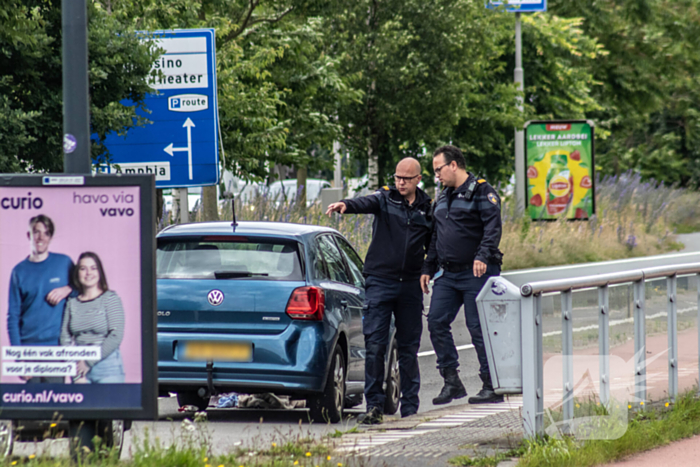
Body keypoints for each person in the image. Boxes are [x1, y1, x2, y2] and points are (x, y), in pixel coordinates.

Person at [326, 158, 433, 424]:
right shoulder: (385, 198)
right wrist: (346, 206)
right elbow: (366, 202)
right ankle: (373, 406)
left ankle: (409, 407)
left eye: (406, 179)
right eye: (398, 177)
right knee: (375, 345)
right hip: (380, 281)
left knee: (408, 348)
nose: (400, 183)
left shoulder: (428, 208)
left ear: (418, 179)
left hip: (409, 286)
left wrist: (427, 269)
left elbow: (434, 246)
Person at [420, 145, 504, 405]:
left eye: (439, 170)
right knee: (435, 322)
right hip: (448, 274)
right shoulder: (443, 197)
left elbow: (493, 226)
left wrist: (482, 255)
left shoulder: (481, 191)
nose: (437, 176)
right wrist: (427, 268)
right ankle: (451, 381)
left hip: (475, 273)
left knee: (478, 328)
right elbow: (436, 236)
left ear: (453, 165)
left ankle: (492, 385)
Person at [7, 214, 73, 383]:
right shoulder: (19, 271)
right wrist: (19, 358)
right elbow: (12, 317)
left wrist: (68, 288)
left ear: (50, 237)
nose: (41, 237)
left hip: (57, 351)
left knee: (57, 407)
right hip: (29, 352)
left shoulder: (63, 263)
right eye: (36, 232)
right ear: (29, 235)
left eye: (46, 233)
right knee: (33, 407)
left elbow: (84, 292)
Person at [60, 252, 125, 384]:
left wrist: (89, 362)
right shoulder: (72, 303)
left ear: (100, 271)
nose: (88, 273)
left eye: (93, 268)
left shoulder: (110, 299)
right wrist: (75, 373)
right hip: (80, 368)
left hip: (108, 368)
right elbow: (65, 339)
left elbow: (116, 336)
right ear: (77, 273)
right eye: (83, 269)